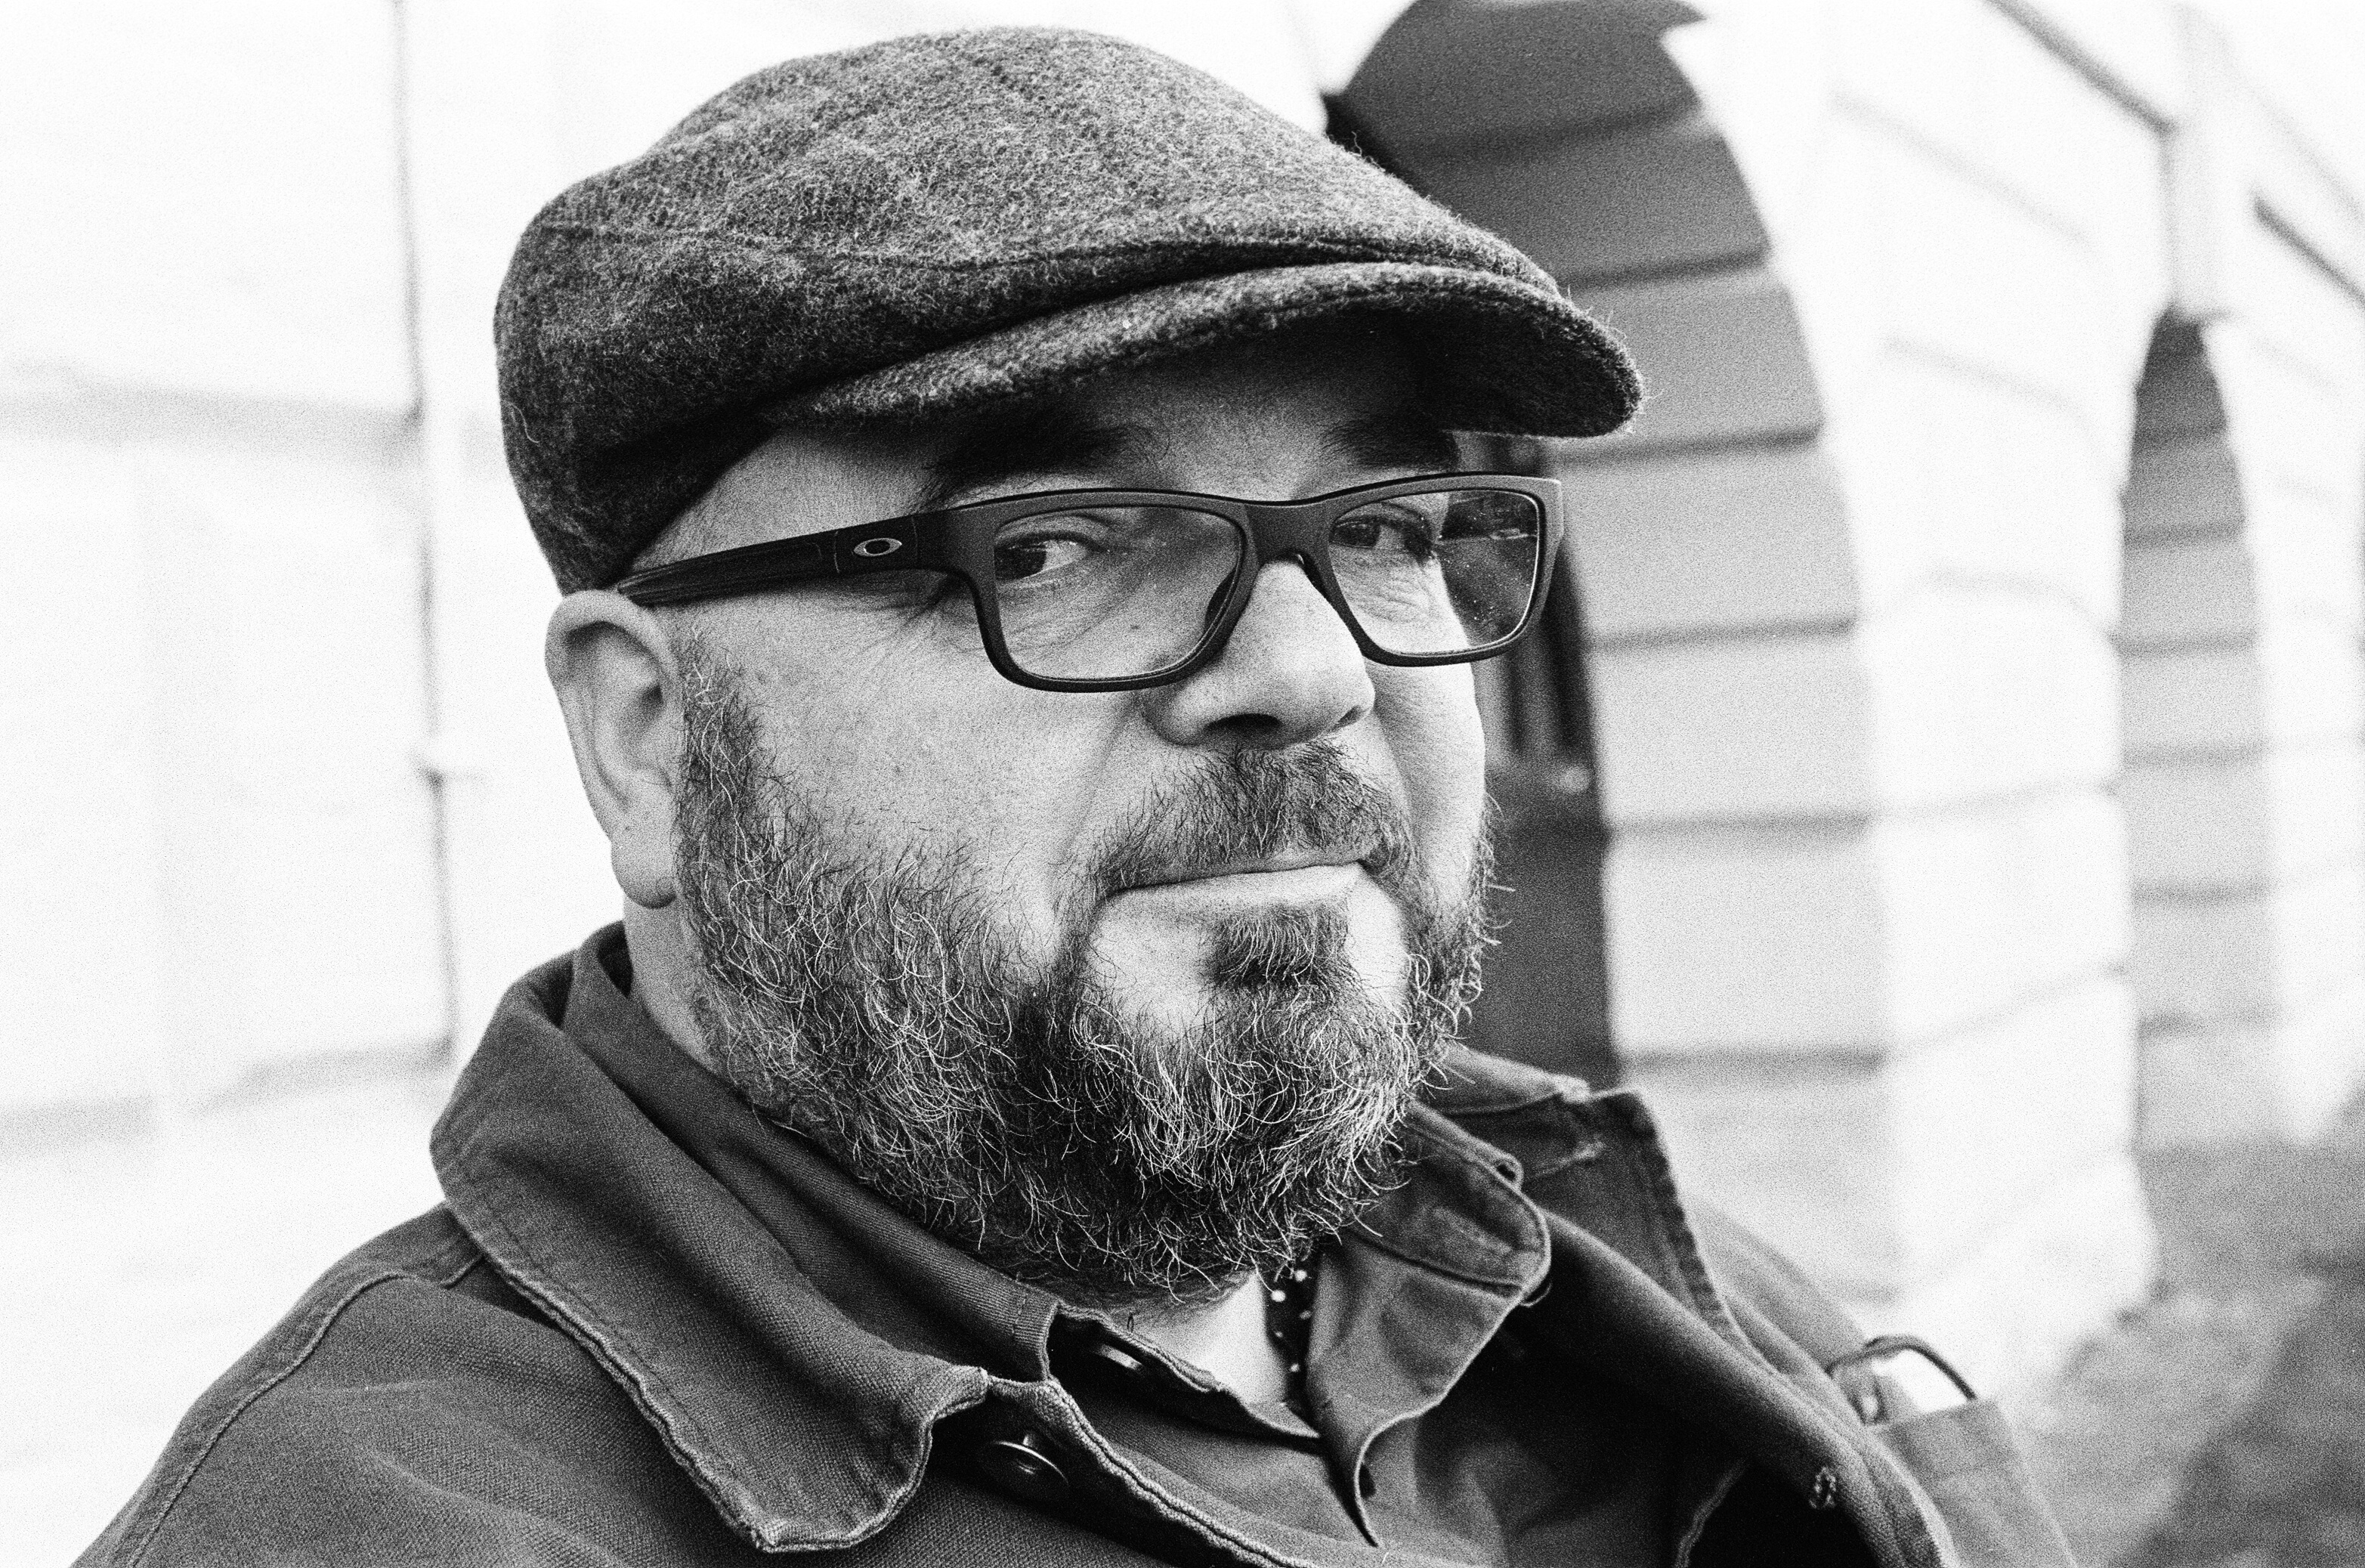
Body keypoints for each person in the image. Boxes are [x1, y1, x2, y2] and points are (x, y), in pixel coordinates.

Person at [82, 27, 2068, 1567]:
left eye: (1382, 524)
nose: (1306, 670)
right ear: (647, 734)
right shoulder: (384, 1523)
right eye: (1058, 542)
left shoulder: (1599, 1244)